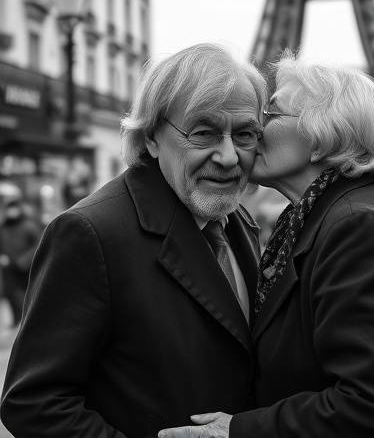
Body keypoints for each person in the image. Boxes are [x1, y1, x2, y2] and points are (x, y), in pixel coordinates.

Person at [161, 56, 374, 438]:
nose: (255, 128)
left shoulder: (360, 229)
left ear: (320, 136)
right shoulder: (334, 216)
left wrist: (237, 431)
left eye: (271, 113)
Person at [0, 43, 266, 437]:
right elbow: (33, 402)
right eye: (204, 132)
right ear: (153, 137)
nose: (228, 156)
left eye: (244, 134)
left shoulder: (236, 219)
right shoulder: (89, 234)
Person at [0, 191, 42, 327]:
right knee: (12, 296)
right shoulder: (3, 228)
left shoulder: (28, 226)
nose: (12, 211)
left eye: (14, 207)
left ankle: (30, 321)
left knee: (29, 296)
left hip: (27, 269)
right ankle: (17, 321)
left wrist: (24, 261)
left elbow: (39, 245)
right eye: (9, 208)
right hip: (9, 270)